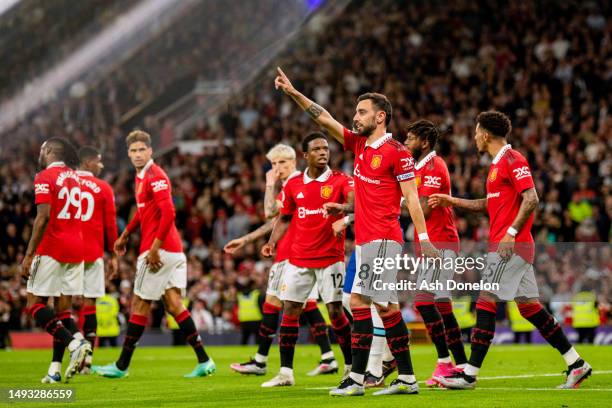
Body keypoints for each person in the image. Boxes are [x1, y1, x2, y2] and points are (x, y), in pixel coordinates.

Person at [275, 67, 438, 396]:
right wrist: (293, 92)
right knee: (369, 304)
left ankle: (367, 378)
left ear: (380, 117)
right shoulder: (360, 146)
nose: (355, 116)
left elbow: (412, 200)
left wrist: (423, 239)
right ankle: (392, 378)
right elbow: (324, 120)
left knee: (370, 303)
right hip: (366, 241)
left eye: (361, 112)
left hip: (383, 240)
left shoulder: (397, 154)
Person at [430, 111, 592, 389]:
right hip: (509, 245)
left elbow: (532, 198)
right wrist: (451, 201)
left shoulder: (512, 159)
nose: (473, 137)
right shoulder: (495, 167)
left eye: (476, 132)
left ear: (485, 135)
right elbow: (488, 205)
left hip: (510, 247)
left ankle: (469, 373)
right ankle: (576, 363)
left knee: (485, 300)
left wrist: (511, 233)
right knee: (530, 308)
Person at [92, 130, 215, 378]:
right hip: (172, 250)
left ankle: (121, 365)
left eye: (141, 150)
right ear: (128, 154)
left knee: (139, 303)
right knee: (173, 304)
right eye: (133, 151)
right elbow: (143, 212)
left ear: (150, 151)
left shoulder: (155, 175)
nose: (137, 154)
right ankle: (205, 360)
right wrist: (125, 234)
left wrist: (155, 248)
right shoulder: (140, 177)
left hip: (159, 249)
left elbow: (169, 213)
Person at [225, 143, 341, 376]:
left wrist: (269, 184)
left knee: (272, 304)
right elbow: (276, 221)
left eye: (281, 163)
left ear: (293, 162)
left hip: (292, 254)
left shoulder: (297, 182)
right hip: (296, 253)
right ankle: (328, 356)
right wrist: (247, 240)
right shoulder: (293, 184)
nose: (277, 168)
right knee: (305, 304)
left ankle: (260, 361)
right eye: (273, 164)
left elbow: (270, 213)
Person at [258, 132, 354, 387]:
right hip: (299, 259)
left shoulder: (341, 181)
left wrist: (342, 210)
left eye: (326, 148)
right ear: (305, 155)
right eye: (317, 149)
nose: (323, 152)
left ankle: (351, 367)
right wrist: (271, 242)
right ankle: (285, 373)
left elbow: (356, 205)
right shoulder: (294, 185)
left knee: (335, 312)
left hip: (330, 258)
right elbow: (285, 218)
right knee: (290, 311)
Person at [403, 120, 468, 385]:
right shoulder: (417, 168)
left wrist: (390, 206)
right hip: (429, 243)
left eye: (410, 139)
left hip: (440, 243)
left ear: (424, 142)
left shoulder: (433, 166)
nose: (406, 144)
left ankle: (444, 363)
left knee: (422, 301)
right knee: (441, 305)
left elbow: (425, 210)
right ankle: (461, 365)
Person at [22, 138, 91, 383]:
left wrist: (29, 255)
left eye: (42, 149)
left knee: (35, 304)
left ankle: (75, 343)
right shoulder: (77, 178)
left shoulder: (44, 177)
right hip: (76, 248)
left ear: (49, 151)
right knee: (63, 312)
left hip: (52, 247)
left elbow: (43, 217)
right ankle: (54, 369)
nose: (40, 154)